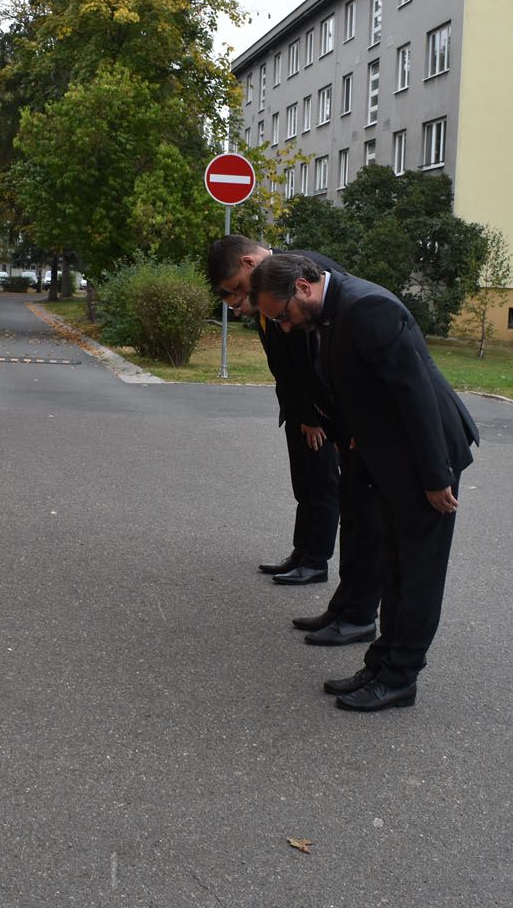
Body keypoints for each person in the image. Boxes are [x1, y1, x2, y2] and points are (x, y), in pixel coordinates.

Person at [250, 253, 478, 712]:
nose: (285, 327)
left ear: (303, 287)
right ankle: (381, 664)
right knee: (393, 566)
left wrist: (436, 477)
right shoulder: (332, 313)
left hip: (424, 458)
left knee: (417, 574)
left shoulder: (368, 308)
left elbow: (415, 394)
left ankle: (400, 678)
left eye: (283, 316)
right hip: (389, 456)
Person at [206, 236, 380, 647]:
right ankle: (337, 596)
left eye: (236, 288)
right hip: (309, 409)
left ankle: (339, 591)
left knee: (344, 505)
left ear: (248, 263)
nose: (239, 300)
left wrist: (318, 417)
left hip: (334, 416)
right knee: (316, 491)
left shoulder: (307, 274)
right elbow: (288, 361)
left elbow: (320, 355)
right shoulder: (271, 288)